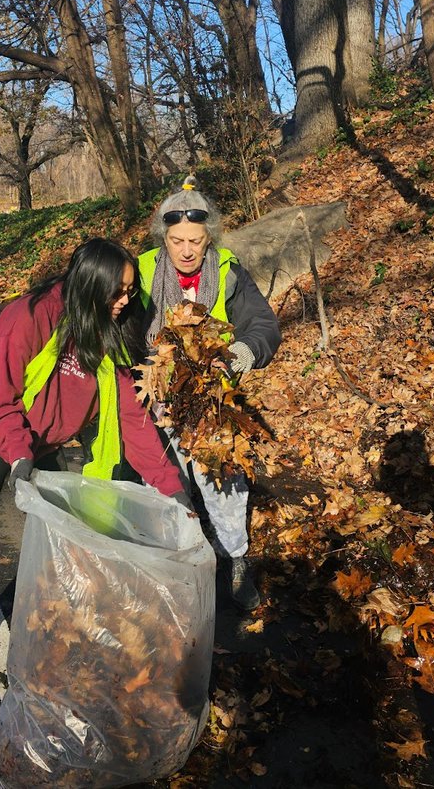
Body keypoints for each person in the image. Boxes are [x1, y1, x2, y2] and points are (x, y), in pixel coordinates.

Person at [0, 237, 188, 719]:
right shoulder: (30, 316)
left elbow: (133, 421)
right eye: (117, 291)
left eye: (130, 290)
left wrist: (172, 489)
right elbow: (2, 398)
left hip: (41, 441)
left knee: (60, 550)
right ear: (88, 286)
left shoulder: (111, 328)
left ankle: (50, 653)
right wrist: (19, 459)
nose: (126, 301)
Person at [138, 185, 281, 611]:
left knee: (224, 481)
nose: (186, 251)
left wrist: (239, 354)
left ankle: (234, 558)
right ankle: (173, 565)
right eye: (177, 241)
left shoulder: (228, 271)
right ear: (163, 239)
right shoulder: (142, 270)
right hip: (158, 398)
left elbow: (263, 326)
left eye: (195, 242)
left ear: (210, 239)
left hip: (212, 399)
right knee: (162, 483)